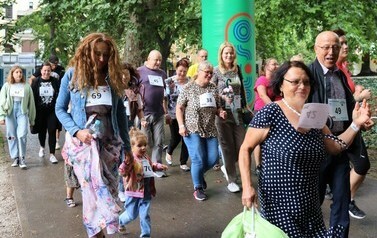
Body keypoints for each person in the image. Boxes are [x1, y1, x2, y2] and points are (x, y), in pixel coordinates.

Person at [239, 60, 371, 238]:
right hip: (278, 203)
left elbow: (334, 146)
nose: (302, 86)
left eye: (306, 82)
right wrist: (247, 187)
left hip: (309, 203)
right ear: (281, 86)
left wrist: (355, 124)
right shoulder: (270, 112)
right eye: (295, 82)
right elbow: (245, 148)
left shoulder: (313, 113)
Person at [56, 32, 132, 238]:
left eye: (106, 55)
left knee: (109, 189)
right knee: (92, 193)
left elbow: (120, 118)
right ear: (86, 52)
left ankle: (107, 222)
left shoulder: (113, 78)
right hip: (84, 148)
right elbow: (60, 109)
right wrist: (77, 131)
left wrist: (128, 150)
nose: (101, 59)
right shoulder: (72, 75)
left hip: (109, 146)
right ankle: (98, 234)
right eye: (97, 54)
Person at [308, 31, 373, 237]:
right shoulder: (307, 75)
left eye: (335, 47)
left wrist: (360, 120)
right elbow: (302, 110)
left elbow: (348, 106)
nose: (331, 52)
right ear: (315, 49)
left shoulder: (340, 75)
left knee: (342, 201)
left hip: (341, 147)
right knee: (313, 202)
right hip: (317, 149)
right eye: (326, 47)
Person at [333, 28, 372, 219]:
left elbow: (347, 97)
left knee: (357, 166)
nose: (346, 46)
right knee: (361, 165)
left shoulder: (344, 69)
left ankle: (344, 199)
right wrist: (359, 96)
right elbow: (340, 102)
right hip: (344, 127)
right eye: (341, 43)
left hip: (353, 124)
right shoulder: (333, 71)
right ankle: (343, 200)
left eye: (346, 43)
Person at [176, 60, 227, 201]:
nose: (209, 75)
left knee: (213, 158)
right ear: (199, 72)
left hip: (210, 128)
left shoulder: (213, 88)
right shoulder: (188, 87)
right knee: (198, 158)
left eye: (211, 72)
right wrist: (181, 126)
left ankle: (198, 174)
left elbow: (217, 106)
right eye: (207, 72)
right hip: (192, 128)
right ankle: (198, 187)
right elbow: (179, 108)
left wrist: (221, 112)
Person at [211, 41, 249, 193]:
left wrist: (245, 105)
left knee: (242, 145)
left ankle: (228, 166)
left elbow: (242, 89)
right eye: (226, 53)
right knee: (226, 146)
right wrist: (222, 97)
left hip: (237, 112)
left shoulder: (237, 69)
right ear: (221, 55)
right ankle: (232, 180)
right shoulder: (215, 71)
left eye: (231, 53)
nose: (229, 55)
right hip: (222, 113)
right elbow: (211, 90)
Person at [118, 127, 168, 237]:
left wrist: (158, 166)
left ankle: (145, 235)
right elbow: (122, 171)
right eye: (139, 146)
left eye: (145, 145)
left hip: (146, 192)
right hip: (133, 193)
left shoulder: (145, 157)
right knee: (131, 215)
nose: (143, 148)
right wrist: (125, 164)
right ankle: (120, 221)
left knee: (145, 215)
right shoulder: (131, 160)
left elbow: (150, 167)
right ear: (132, 147)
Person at [138, 50, 170, 178]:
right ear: (148, 59)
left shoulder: (162, 74)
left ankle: (157, 167)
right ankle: (144, 167)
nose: (158, 62)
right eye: (156, 60)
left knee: (159, 141)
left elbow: (165, 94)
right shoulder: (139, 71)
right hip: (144, 114)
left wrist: (166, 112)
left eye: (160, 60)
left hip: (159, 113)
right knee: (144, 142)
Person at [0, 65, 36, 169]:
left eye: (20, 72)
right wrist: (2, 116)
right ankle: (15, 157)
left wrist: (32, 119)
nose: (19, 74)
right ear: (12, 74)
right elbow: (1, 101)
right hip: (10, 112)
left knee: (22, 135)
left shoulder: (26, 86)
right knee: (11, 135)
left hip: (22, 111)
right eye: (16, 72)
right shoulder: (7, 86)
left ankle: (22, 158)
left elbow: (31, 104)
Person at [29, 55, 66, 150]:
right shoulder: (38, 78)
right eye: (53, 64)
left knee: (53, 128)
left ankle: (54, 148)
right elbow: (32, 80)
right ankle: (42, 147)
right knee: (42, 130)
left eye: (55, 64)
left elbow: (62, 87)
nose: (54, 66)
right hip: (40, 108)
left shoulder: (59, 72)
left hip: (53, 108)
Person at [252, 58, 279, 173]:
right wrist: (276, 108)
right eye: (273, 64)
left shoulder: (276, 82)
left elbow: (279, 97)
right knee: (259, 139)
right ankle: (258, 166)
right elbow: (263, 95)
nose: (276, 66)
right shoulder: (261, 79)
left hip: (272, 112)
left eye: (277, 64)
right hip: (261, 111)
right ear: (266, 66)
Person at [31, 62, 60, 164]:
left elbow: (59, 94)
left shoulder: (55, 81)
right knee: (42, 131)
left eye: (48, 70)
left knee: (52, 130)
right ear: (41, 71)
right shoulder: (36, 82)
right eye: (44, 70)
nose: (46, 72)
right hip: (40, 111)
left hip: (52, 111)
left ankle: (52, 154)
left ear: (51, 71)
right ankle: (42, 147)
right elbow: (32, 97)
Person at [165, 58, 190, 172]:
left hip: (187, 114)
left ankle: (183, 162)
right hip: (173, 114)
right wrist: (166, 113)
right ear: (176, 70)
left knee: (186, 138)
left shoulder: (190, 82)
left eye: (184, 71)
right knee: (175, 138)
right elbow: (164, 98)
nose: (182, 73)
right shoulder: (169, 82)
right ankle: (169, 151)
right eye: (180, 71)